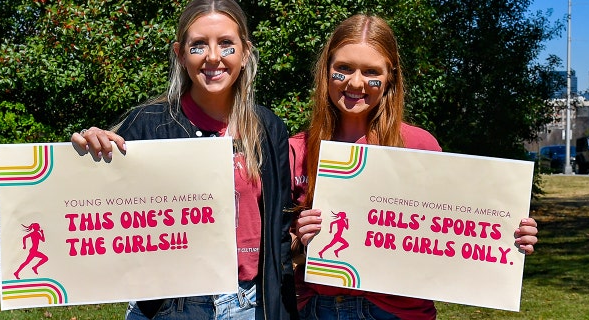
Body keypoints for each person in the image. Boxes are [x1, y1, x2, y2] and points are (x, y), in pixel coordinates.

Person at [289, 14, 539, 320]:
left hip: (398, 312)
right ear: (326, 69)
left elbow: (459, 228)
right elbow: (273, 245)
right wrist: (299, 239)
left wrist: (510, 234)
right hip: (316, 309)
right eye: (343, 68)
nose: (356, 82)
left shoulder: (419, 146)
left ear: (390, 76)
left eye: (371, 72)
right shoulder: (296, 150)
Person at [71, 0, 297, 319]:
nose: (213, 56)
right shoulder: (148, 124)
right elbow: (100, 216)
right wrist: (88, 154)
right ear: (180, 53)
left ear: (246, 53)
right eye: (199, 45)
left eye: (226, 44)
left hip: (247, 304)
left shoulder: (267, 127)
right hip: (168, 306)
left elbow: (279, 230)